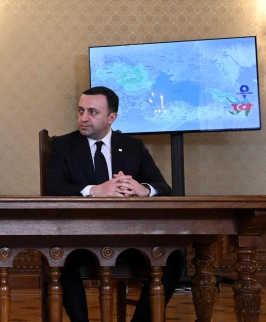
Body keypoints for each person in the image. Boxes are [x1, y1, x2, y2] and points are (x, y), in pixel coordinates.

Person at [46, 86, 183, 322]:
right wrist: (94, 191)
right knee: (56, 258)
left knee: (173, 258)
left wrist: (143, 189)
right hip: (77, 238)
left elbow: (163, 186)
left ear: (112, 117)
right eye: (80, 111)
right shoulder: (63, 146)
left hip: (127, 237)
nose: (84, 118)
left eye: (92, 112)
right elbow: (52, 188)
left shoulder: (133, 147)